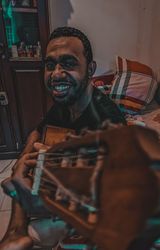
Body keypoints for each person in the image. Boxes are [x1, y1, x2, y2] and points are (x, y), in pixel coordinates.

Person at [0, 27, 126, 250]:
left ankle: (21, 230)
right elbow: (37, 131)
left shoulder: (109, 121)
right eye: (50, 65)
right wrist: (24, 157)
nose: (56, 73)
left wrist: (41, 202)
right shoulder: (64, 105)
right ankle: (16, 231)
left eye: (68, 63)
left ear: (90, 69)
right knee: (23, 167)